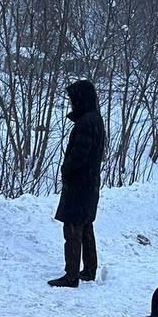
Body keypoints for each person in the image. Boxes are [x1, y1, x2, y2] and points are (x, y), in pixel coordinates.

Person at [48, 79, 105, 288]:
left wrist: (66, 169)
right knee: (86, 226)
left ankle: (71, 276)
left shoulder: (86, 123)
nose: (71, 104)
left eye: (73, 100)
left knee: (72, 229)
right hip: (89, 183)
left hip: (80, 184)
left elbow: (79, 156)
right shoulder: (94, 119)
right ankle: (89, 270)